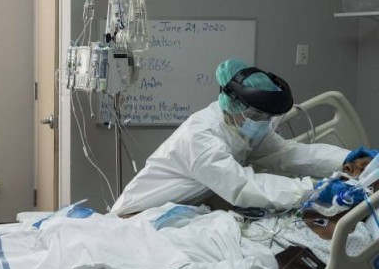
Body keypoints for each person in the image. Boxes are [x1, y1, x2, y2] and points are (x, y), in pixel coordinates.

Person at [111, 59, 349, 216]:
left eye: (268, 116)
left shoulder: (242, 127)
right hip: (141, 215)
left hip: (183, 209)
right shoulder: (200, 137)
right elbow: (244, 185)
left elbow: (286, 153)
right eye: (257, 115)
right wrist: (312, 190)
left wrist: (345, 159)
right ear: (233, 104)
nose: (264, 122)